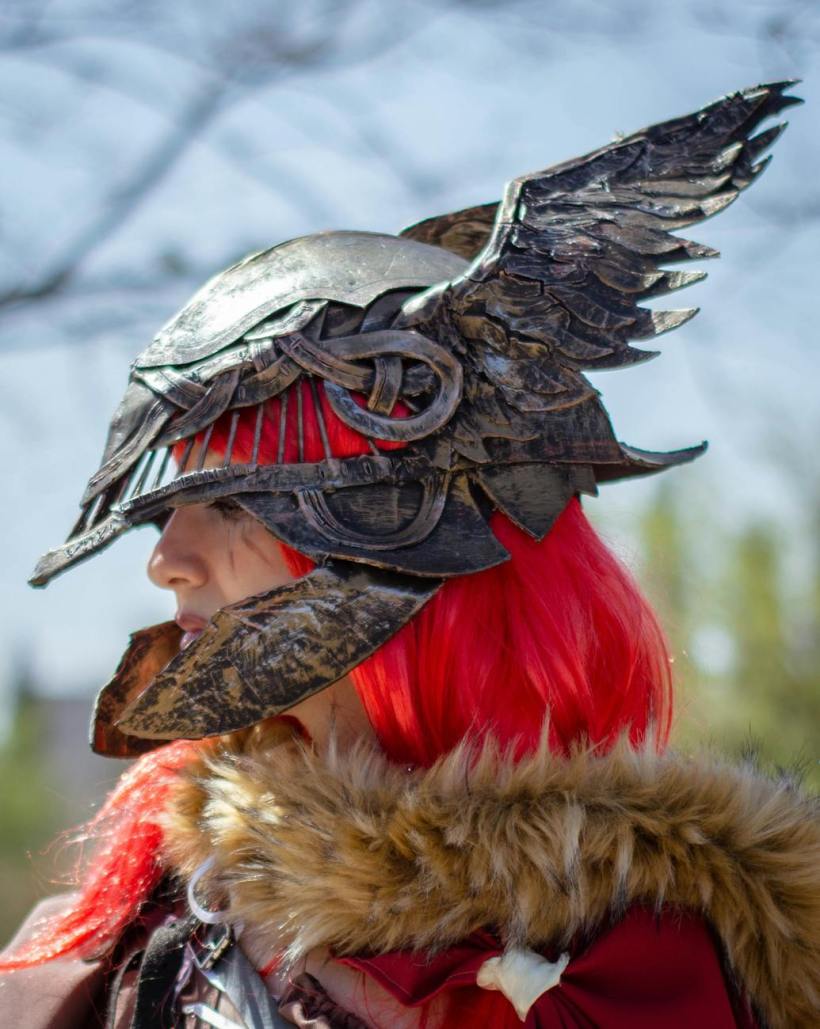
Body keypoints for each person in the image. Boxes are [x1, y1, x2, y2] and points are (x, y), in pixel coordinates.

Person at [1, 82, 817, 1028]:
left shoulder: (641, 972)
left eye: (227, 498)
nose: (169, 561)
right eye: (164, 514)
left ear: (405, 523)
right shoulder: (136, 924)